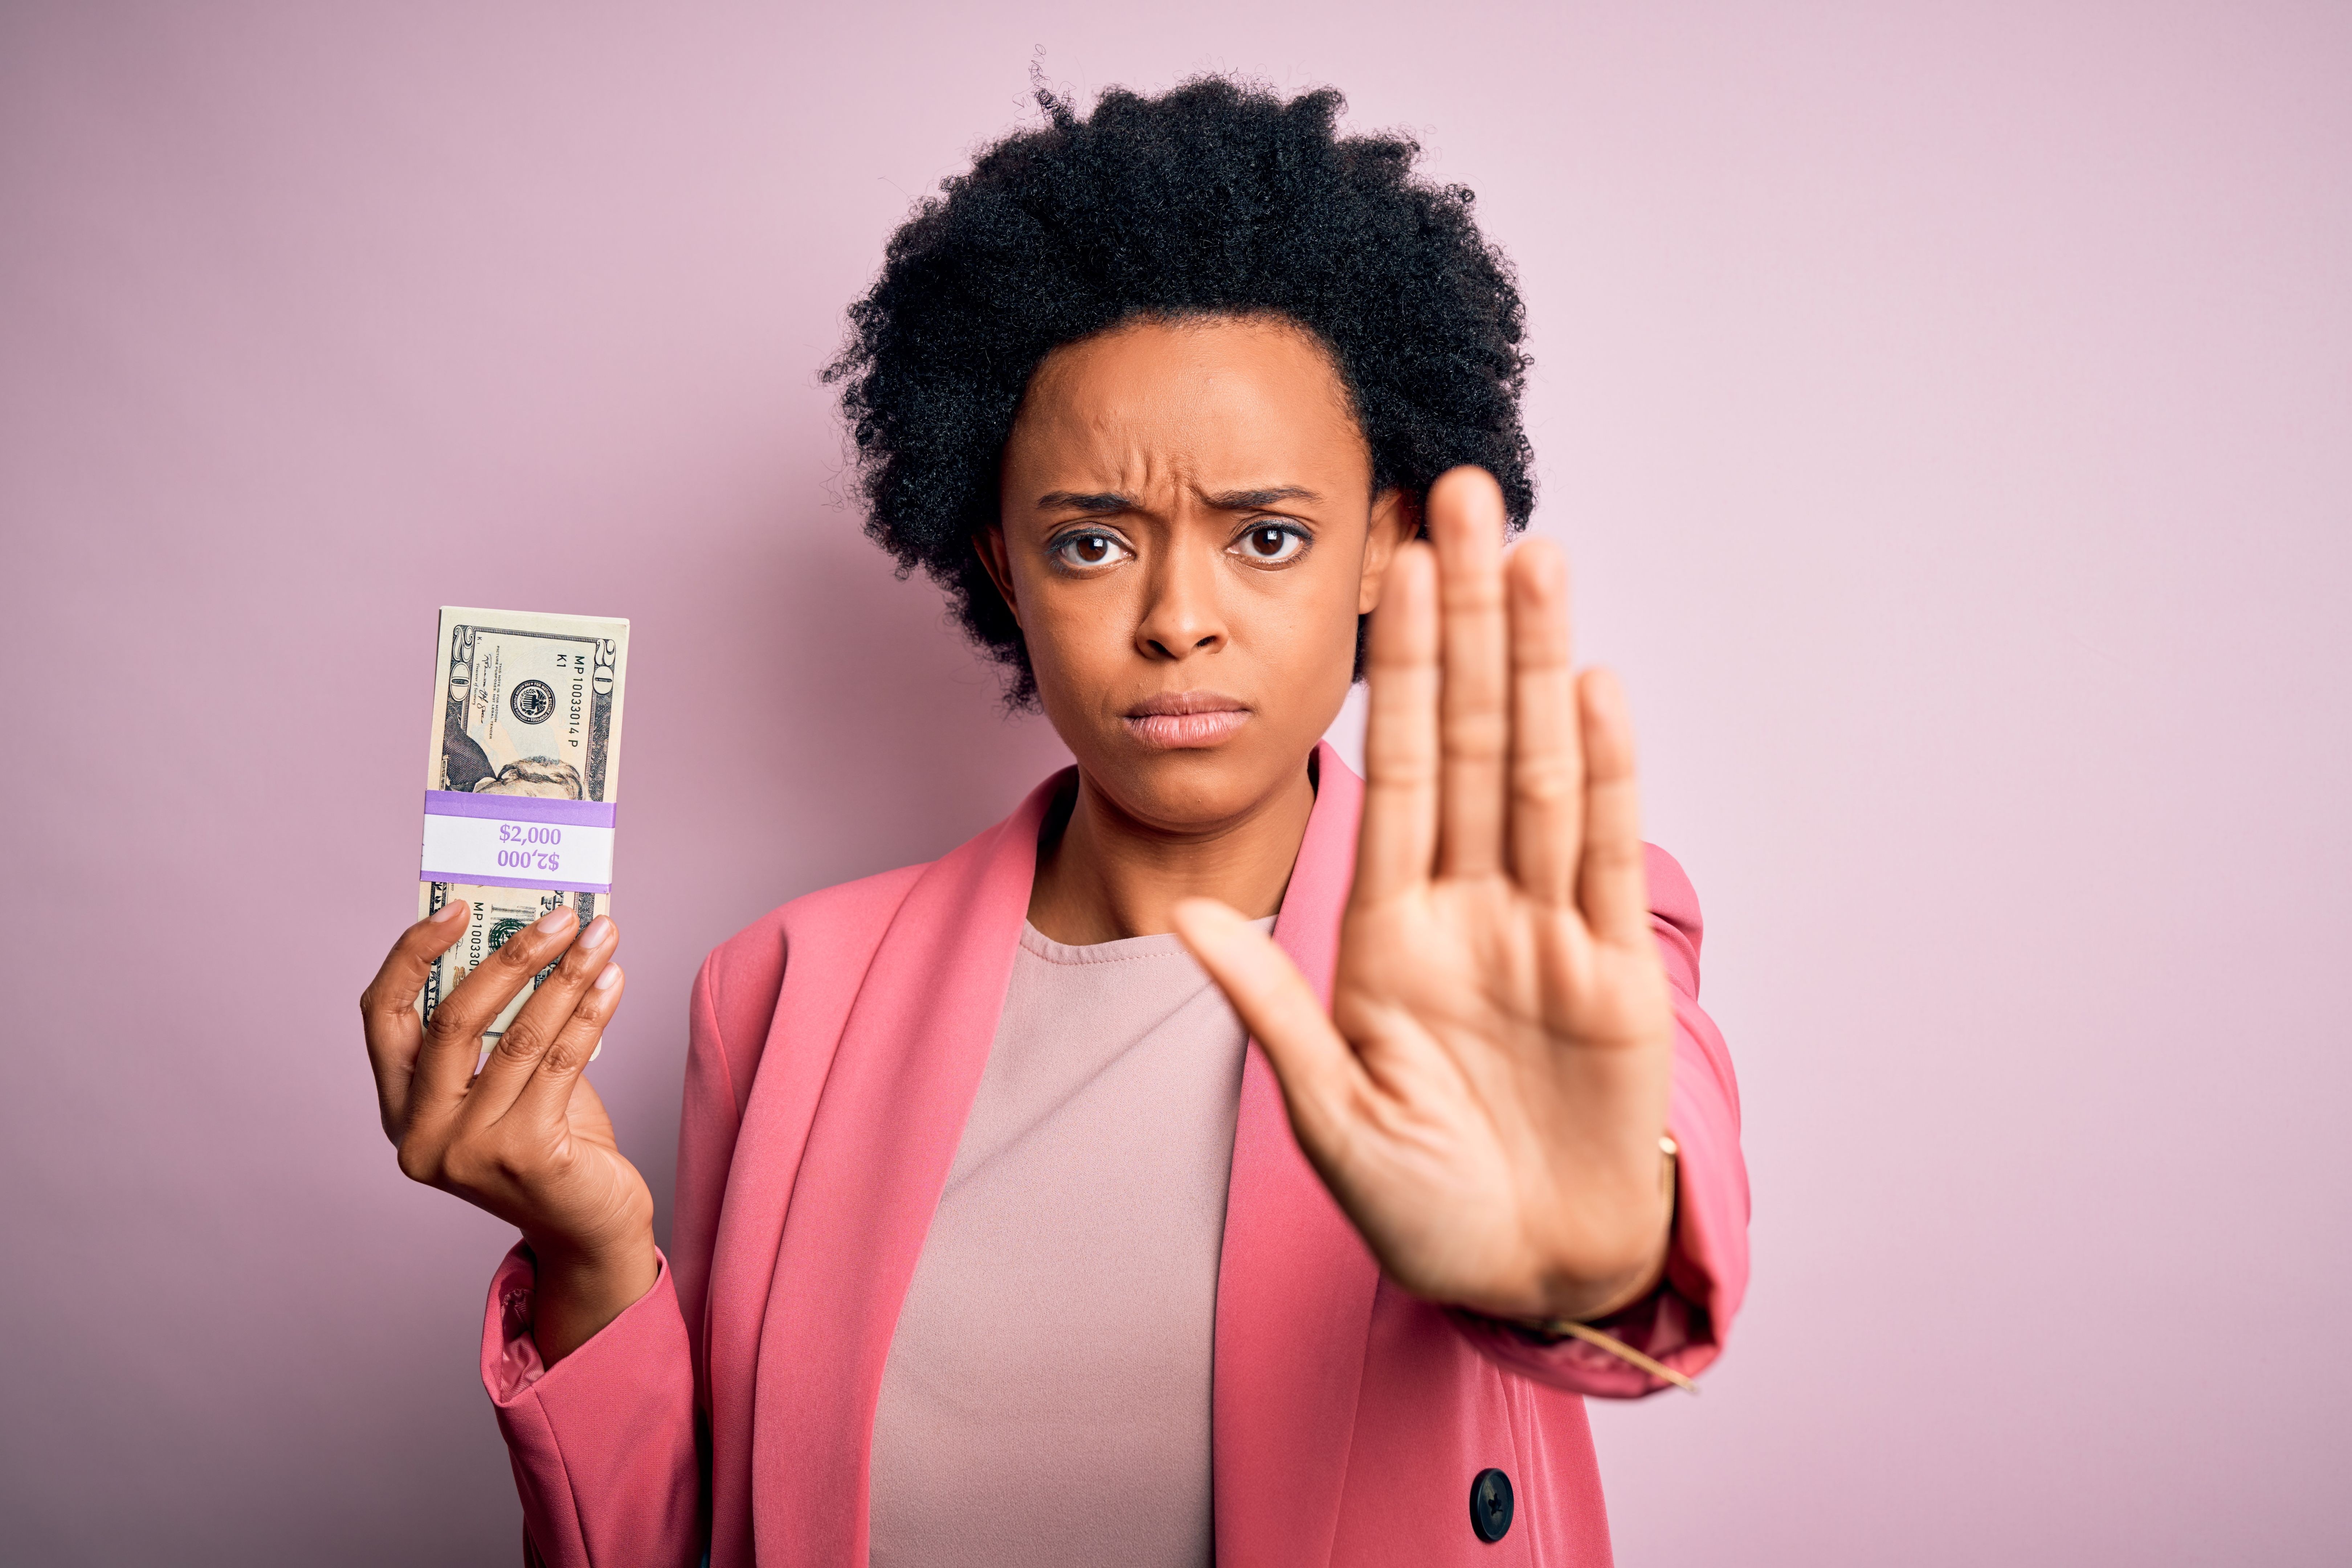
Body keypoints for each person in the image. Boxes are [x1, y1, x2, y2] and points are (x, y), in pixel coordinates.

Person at [360, 77, 1747, 1568]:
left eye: (1267, 537)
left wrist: (1591, 1240)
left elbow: (1648, 1191)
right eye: (1093, 542)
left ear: (1384, 545)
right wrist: (589, 1261)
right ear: (1004, 565)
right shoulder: (784, 995)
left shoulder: (1546, 928)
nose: (1176, 623)